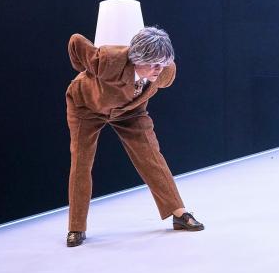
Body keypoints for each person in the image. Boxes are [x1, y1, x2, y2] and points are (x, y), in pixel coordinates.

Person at [65, 27, 203, 247]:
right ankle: (76, 227)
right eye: (154, 64)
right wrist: (87, 72)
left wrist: (161, 66)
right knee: (81, 162)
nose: (159, 69)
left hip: (130, 111)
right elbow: (75, 41)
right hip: (86, 107)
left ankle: (179, 213)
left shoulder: (166, 71)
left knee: (151, 155)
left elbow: (162, 69)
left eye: (163, 63)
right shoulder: (108, 60)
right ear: (137, 59)